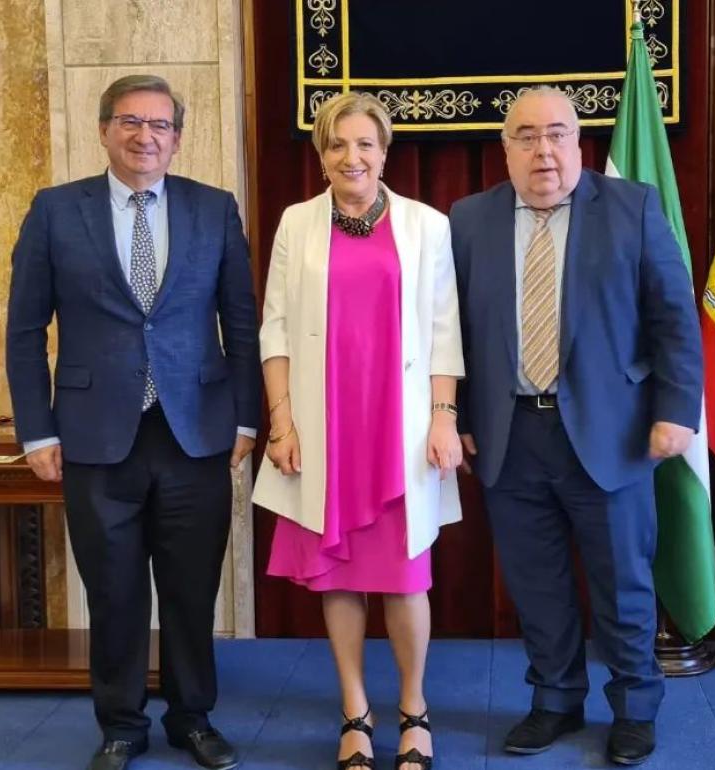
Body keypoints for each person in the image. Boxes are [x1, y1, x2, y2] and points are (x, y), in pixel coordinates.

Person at [5, 75, 261, 770]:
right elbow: (25, 329)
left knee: (190, 587)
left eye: (159, 125)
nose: (145, 136)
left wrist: (247, 420)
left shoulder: (214, 210)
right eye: (129, 122)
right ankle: (120, 724)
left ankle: (192, 718)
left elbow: (241, 323)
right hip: (92, 435)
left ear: (177, 136)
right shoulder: (56, 212)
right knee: (114, 590)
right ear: (103, 129)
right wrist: (38, 430)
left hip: (196, 432)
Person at [449, 87, 703, 766]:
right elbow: (453, 333)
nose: (543, 150)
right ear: (504, 148)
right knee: (537, 585)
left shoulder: (632, 208)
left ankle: (635, 708)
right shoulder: (468, 220)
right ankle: (555, 700)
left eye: (556, 134)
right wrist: (460, 416)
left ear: (579, 141)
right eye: (525, 136)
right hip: (509, 436)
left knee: (624, 583)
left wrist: (677, 411)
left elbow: (674, 318)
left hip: (613, 435)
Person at [252, 91, 464, 770]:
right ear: (320, 158)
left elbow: (443, 330)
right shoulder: (296, 223)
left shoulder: (428, 225)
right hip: (325, 425)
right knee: (338, 576)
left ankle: (413, 710)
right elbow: (276, 328)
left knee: (405, 578)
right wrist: (281, 423)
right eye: (337, 145)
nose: (352, 156)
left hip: (397, 427)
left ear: (385, 151)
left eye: (365, 143)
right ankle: (354, 712)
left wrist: (442, 417)